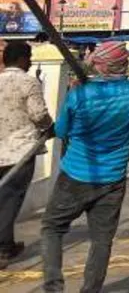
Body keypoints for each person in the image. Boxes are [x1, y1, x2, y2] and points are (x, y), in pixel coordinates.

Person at [40, 41, 129, 293]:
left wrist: (76, 92)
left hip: (76, 175)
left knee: (52, 227)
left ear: (100, 66)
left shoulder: (80, 95)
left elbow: (62, 130)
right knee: (102, 240)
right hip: (113, 178)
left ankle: (53, 287)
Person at [0, 41, 52, 265]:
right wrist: (50, 127)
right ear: (21, 59)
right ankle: (3, 247)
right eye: (29, 57)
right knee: (11, 198)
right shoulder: (28, 82)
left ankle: (7, 243)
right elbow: (39, 114)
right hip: (19, 151)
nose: (30, 62)